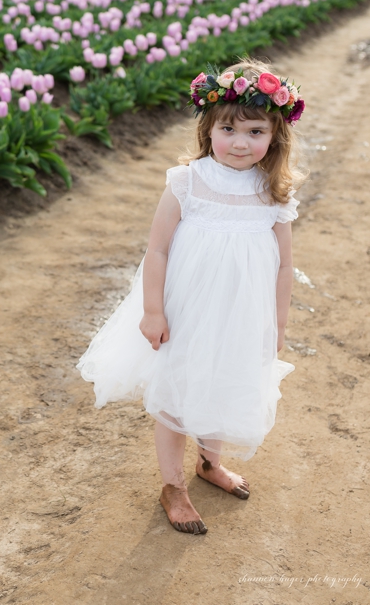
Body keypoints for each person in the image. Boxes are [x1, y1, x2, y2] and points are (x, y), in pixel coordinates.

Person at [76, 59, 305, 535]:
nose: (241, 143)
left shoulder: (273, 192)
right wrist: (153, 310)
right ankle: (173, 485)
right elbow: (157, 249)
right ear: (208, 128)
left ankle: (210, 463)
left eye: (256, 132)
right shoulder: (188, 182)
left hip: (241, 313)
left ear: (275, 136)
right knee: (180, 389)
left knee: (222, 381)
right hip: (186, 309)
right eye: (228, 129)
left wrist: (277, 324)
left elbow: (284, 265)